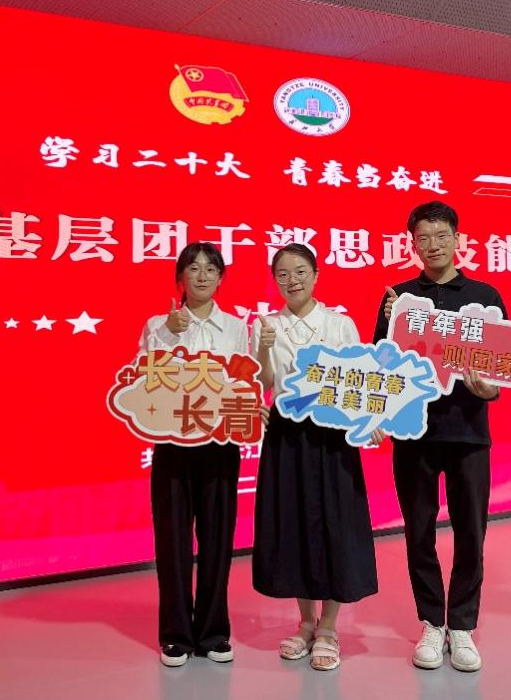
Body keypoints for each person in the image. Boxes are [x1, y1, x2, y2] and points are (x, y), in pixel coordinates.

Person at [372, 201, 506, 673]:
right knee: (418, 531)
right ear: (413, 244)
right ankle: (432, 621)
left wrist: (489, 390)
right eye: (423, 238)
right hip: (414, 435)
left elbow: (500, 369)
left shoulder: (485, 297)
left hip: (469, 434)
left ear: (457, 239)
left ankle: (462, 625)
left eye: (441, 236)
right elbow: (380, 365)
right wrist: (392, 323)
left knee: (471, 532)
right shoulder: (400, 298)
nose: (433, 245)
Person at [251, 243, 378, 672]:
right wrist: (264, 348)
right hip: (287, 436)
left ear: (317, 274)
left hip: (333, 435)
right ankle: (305, 622)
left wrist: (372, 418)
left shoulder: (339, 323)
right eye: (283, 274)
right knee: (294, 525)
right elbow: (264, 383)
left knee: (336, 525)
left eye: (301, 271)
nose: (293, 280)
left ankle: (329, 627)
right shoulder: (267, 325)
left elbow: (360, 380)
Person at [138, 242, 248, 667]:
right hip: (172, 444)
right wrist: (169, 333)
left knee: (219, 540)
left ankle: (214, 632)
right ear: (180, 278)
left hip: (220, 444)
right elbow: (142, 379)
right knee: (172, 540)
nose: (202, 276)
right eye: (193, 268)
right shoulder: (157, 324)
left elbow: (244, 380)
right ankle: (176, 634)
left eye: (211, 269)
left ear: (221, 278)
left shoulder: (236, 327)